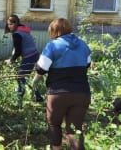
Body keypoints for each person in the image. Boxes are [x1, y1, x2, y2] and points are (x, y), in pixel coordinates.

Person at [32, 18, 91, 150]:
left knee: (54, 124)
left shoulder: (52, 46)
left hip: (58, 93)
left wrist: (35, 80)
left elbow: (41, 68)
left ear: (54, 31)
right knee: (75, 129)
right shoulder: (83, 45)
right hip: (81, 93)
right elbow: (87, 64)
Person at [4, 14, 43, 107]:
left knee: (20, 77)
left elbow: (18, 51)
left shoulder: (17, 34)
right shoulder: (23, 30)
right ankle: (38, 97)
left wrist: (11, 60)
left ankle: (19, 100)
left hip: (29, 56)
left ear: (16, 23)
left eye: (11, 24)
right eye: (8, 24)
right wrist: (12, 57)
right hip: (34, 54)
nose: (9, 26)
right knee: (26, 77)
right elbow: (17, 48)